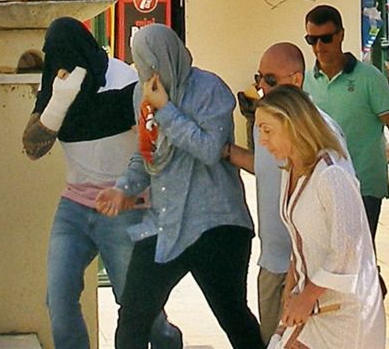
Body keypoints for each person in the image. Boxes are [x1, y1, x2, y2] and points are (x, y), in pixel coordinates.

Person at [95, 24, 264, 349]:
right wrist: (122, 188)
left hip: (216, 224)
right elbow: (146, 154)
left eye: (151, 62)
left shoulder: (210, 88)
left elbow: (210, 149)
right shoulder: (141, 93)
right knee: (132, 318)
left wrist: (166, 110)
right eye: (141, 63)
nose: (148, 72)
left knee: (233, 317)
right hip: (164, 223)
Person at [21, 17, 181, 349]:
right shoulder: (58, 82)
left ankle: (169, 342)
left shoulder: (123, 79)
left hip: (123, 205)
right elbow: (33, 147)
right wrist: (57, 106)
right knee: (59, 301)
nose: (62, 60)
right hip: (74, 207)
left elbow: (155, 144)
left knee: (138, 307)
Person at [227, 42, 349, 344]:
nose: (261, 87)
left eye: (270, 79)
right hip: (274, 262)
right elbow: (266, 169)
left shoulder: (325, 133)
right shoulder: (263, 125)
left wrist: (307, 290)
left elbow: (346, 222)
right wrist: (224, 152)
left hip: (316, 274)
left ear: (296, 80)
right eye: (259, 79)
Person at [303, 5, 389, 295]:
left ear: (341, 35)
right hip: (323, 188)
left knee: (356, 258)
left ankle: (370, 305)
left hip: (364, 187)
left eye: (326, 38)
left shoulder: (369, 78)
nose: (319, 47)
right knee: (335, 260)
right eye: (312, 40)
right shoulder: (306, 82)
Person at [256, 85, 386, 349]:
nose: (262, 140)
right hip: (311, 306)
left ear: (293, 125)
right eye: (259, 130)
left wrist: (305, 297)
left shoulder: (332, 175)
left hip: (344, 313)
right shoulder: (292, 169)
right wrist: (290, 296)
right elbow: (298, 240)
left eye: (267, 130)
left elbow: (347, 250)